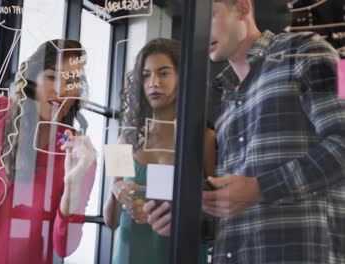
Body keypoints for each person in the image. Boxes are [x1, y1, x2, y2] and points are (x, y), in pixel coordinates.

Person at [202, 0, 345, 263]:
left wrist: (259, 188)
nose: (201, 31)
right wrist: (192, 218)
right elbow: (238, 204)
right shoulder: (224, 99)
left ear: (243, 8)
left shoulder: (308, 48)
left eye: (209, 16)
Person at [0, 39, 97, 264]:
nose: (61, 90)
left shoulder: (78, 155)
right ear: (32, 80)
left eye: (72, 81)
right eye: (51, 77)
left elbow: (65, 247)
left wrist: (73, 185)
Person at [104, 38, 216, 264]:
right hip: (130, 254)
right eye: (146, 75)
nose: (153, 82)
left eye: (163, 73)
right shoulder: (125, 139)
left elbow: (214, 214)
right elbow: (111, 220)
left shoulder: (204, 140)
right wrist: (117, 189)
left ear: (182, 78)